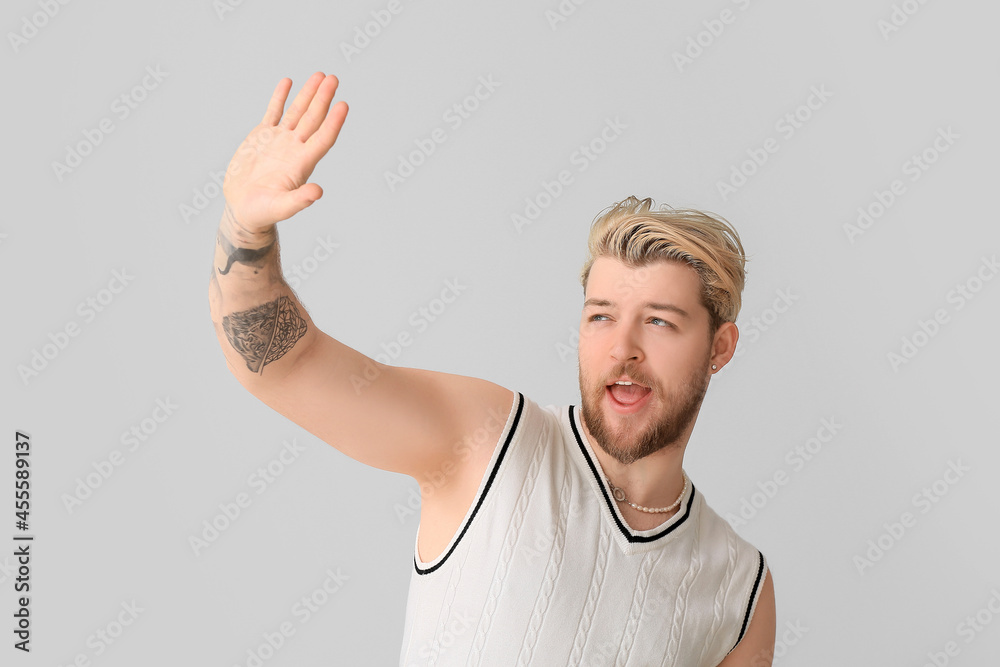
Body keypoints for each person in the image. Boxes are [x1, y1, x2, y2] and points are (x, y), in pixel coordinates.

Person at [208, 72, 776, 666]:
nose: (622, 349)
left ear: (720, 347)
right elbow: (283, 365)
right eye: (601, 317)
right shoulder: (487, 442)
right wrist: (245, 233)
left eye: (659, 322)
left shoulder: (741, 592)